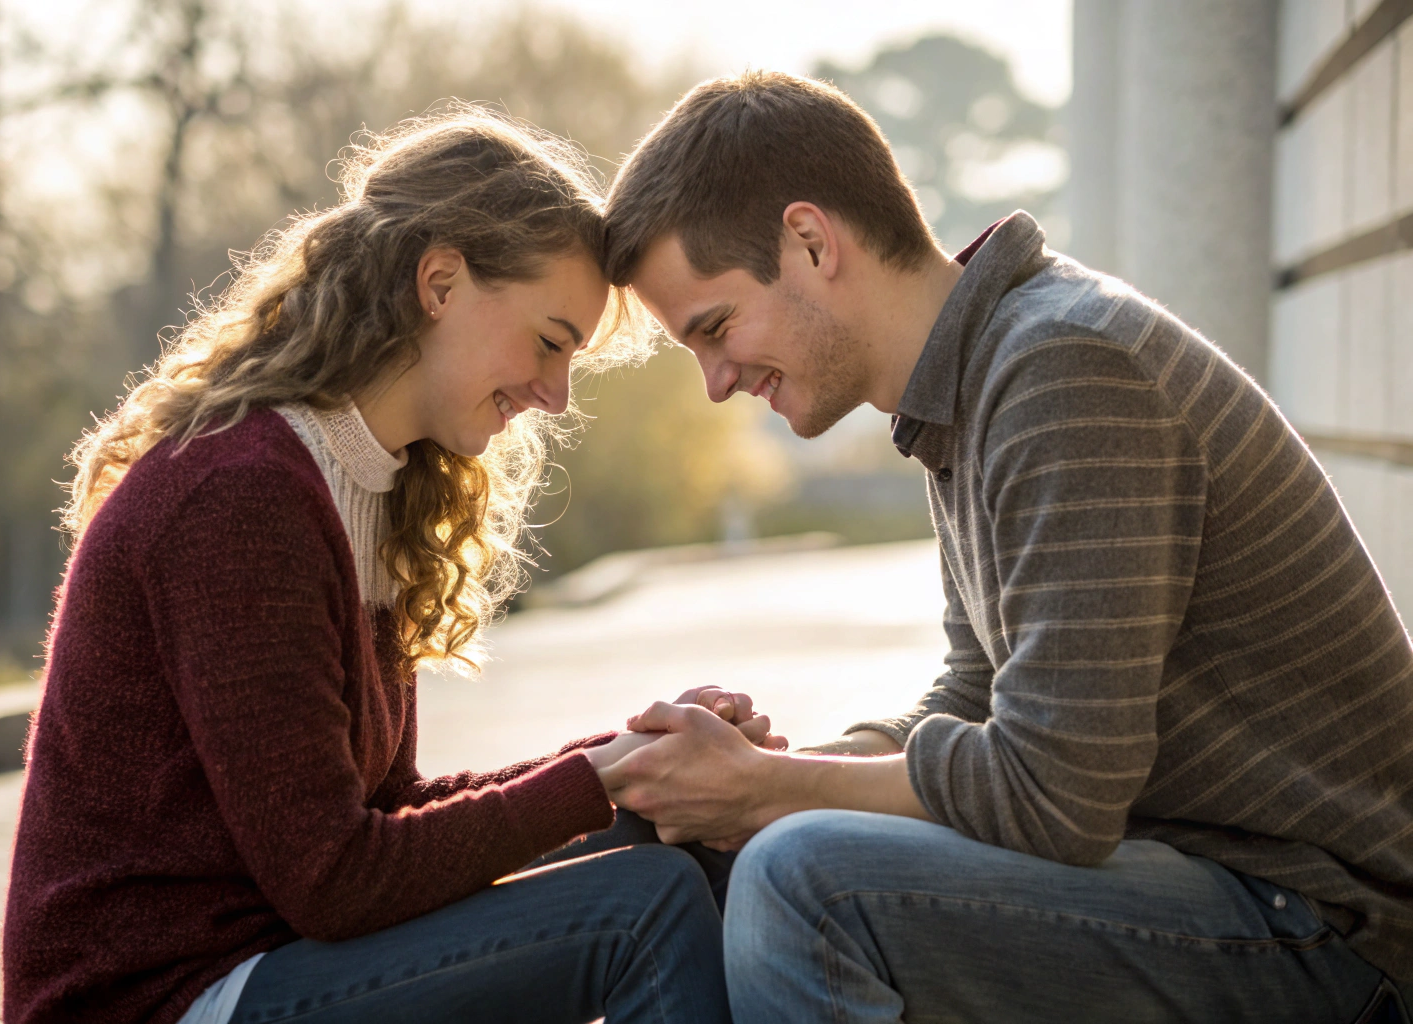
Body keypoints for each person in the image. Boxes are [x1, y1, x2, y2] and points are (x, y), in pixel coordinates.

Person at [596, 71, 1413, 1024]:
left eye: (715, 327)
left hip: (1330, 931)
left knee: (804, 877)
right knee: (727, 853)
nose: (715, 381)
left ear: (811, 242)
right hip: (1204, 886)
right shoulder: (976, 386)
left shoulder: (1064, 368)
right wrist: (767, 773)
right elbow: (977, 698)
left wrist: (772, 794)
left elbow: (1054, 795)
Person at [1, 109, 776, 1024]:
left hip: (273, 955)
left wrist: (630, 763)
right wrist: (594, 779)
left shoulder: (368, 483)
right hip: (157, 996)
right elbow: (335, 879)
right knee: (640, 911)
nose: (555, 394)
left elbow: (387, 812)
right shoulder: (240, 496)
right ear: (440, 282)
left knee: (681, 837)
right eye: (550, 340)